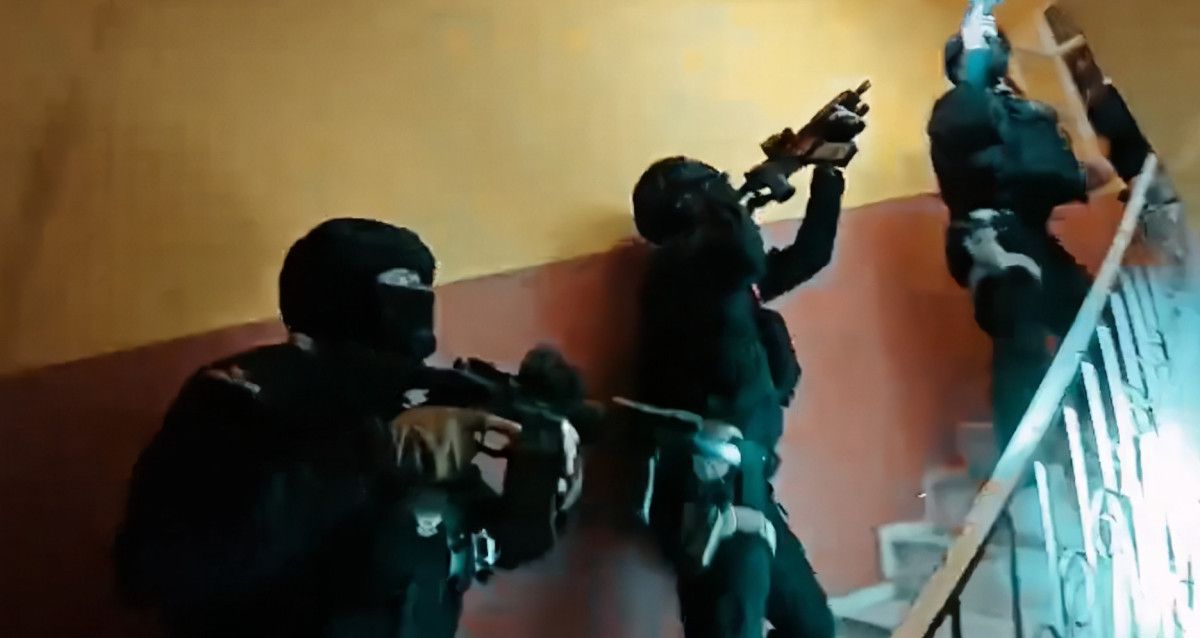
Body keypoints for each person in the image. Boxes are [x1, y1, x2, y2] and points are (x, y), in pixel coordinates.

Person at [112, 218, 586, 638]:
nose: (417, 312)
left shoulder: (411, 397)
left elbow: (483, 544)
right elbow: (157, 570)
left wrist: (543, 484)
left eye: (422, 290)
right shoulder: (241, 398)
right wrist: (374, 453)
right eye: (401, 290)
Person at [628, 115, 863, 638]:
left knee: (814, 628)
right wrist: (762, 183)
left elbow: (810, 256)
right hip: (708, 489)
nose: (726, 197)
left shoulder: (724, 278)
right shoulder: (679, 273)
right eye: (714, 191)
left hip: (749, 485)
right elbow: (736, 253)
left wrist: (825, 172)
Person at [927, 6, 1112, 453]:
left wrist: (1080, 176)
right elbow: (971, 121)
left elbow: (1047, 170)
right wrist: (974, 46)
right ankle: (1021, 470)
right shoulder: (955, 109)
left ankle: (1096, 432)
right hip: (988, 239)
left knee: (1094, 323)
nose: (990, 49)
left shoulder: (1018, 110)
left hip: (1032, 235)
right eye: (980, 46)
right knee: (1021, 341)